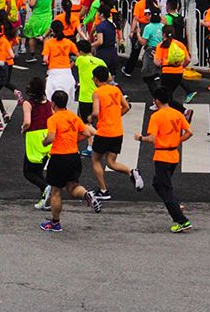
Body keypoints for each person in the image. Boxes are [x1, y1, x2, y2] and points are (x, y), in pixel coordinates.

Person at [40, 90, 102, 232]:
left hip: (59, 158)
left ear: (53, 104)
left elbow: (50, 137)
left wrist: (44, 142)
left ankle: (55, 223)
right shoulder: (73, 117)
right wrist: (73, 140)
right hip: (74, 157)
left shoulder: (53, 119)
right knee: (73, 186)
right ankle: (87, 194)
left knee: (56, 191)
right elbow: (86, 133)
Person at [142, 87, 193, 232]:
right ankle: (176, 204)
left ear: (157, 101)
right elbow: (190, 132)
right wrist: (177, 141)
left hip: (162, 156)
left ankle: (181, 220)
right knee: (158, 183)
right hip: (174, 156)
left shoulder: (156, 117)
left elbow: (151, 138)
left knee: (165, 188)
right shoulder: (177, 114)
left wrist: (140, 137)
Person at [88, 66, 141, 199]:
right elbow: (126, 106)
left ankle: (103, 190)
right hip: (117, 132)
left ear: (95, 78)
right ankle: (131, 171)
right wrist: (116, 116)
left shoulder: (97, 93)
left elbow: (95, 112)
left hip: (104, 132)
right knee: (111, 162)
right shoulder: (116, 90)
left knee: (95, 160)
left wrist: (90, 118)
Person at [21, 76, 54, 209]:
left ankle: (46, 187)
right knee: (39, 171)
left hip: (34, 139)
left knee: (28, 172)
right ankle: (45, 200)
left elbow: (27, 122)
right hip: (46, 137)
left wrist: (23, 129)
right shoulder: (48, 103)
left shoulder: (28, 104)